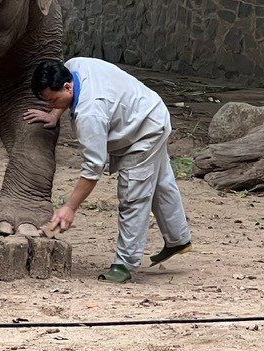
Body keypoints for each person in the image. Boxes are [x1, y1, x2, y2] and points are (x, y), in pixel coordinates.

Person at [25, 57, 192, 283]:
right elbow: (65, 98)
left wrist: (69, 208)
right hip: (149, 109)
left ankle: (124, 265)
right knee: (161, 184)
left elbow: (93, 168)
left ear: (67, 87)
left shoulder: (89, 113)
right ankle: (178, 239)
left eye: (53, 101)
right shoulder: (73, 66)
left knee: (133, 195)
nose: (51, 105)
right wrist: (54, 115)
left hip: (144, 131)